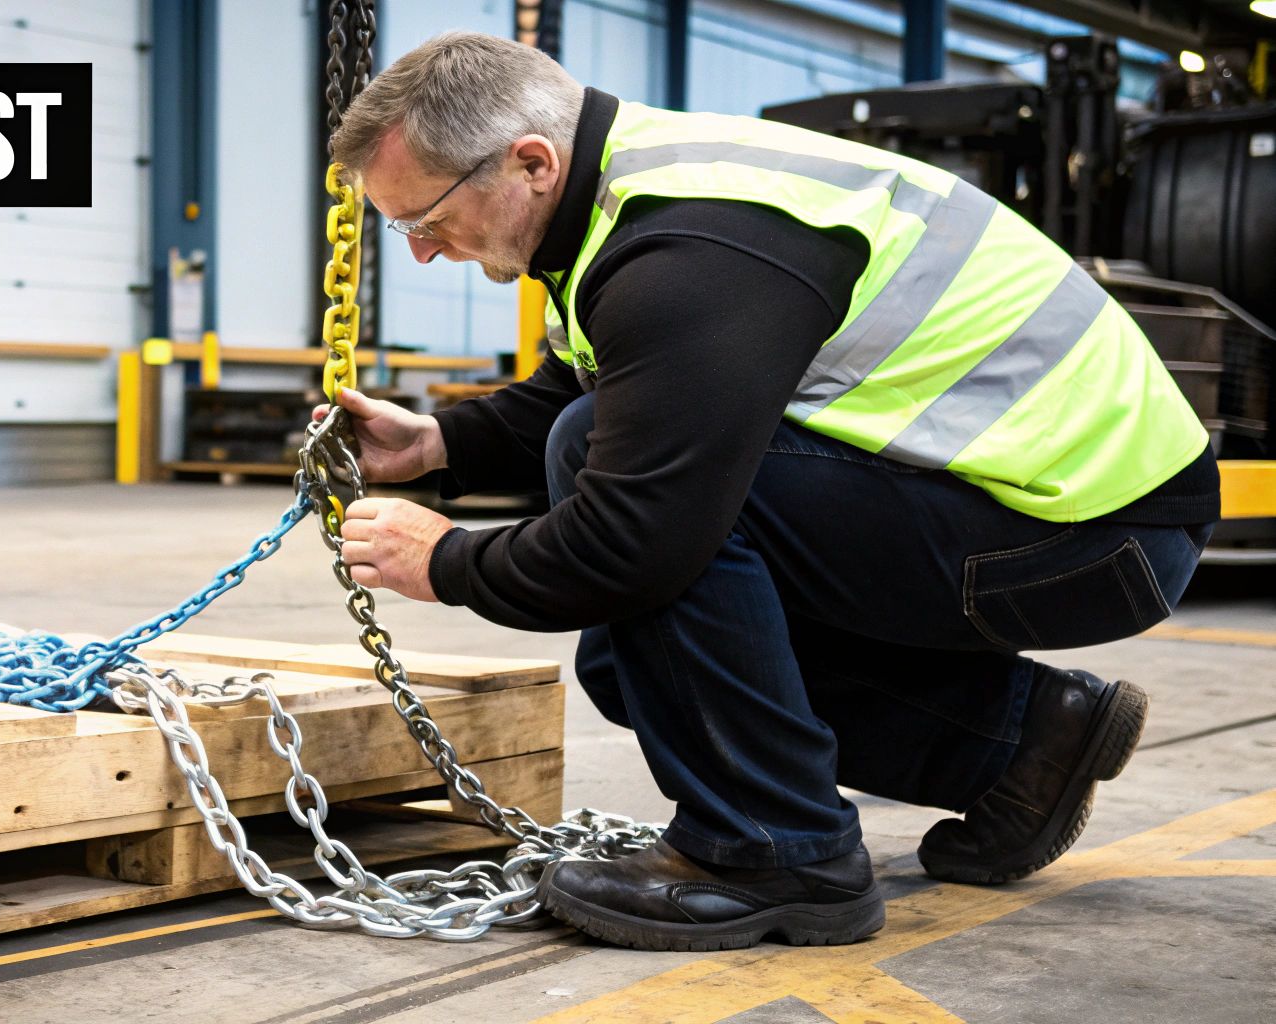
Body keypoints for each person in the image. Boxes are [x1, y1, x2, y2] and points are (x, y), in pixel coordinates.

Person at [320, 31, 1219, 953]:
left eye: (424, 221)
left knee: (631, 523)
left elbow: (633, 540)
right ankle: (1024, 742)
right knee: (631, 659)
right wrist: (439, 444)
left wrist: (445, 560)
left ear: (530, 162)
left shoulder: (689, 247)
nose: (424, 254)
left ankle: (778, 853)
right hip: (1057, 504)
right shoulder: (632, 196)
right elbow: (618, 379)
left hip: (1090, 532)